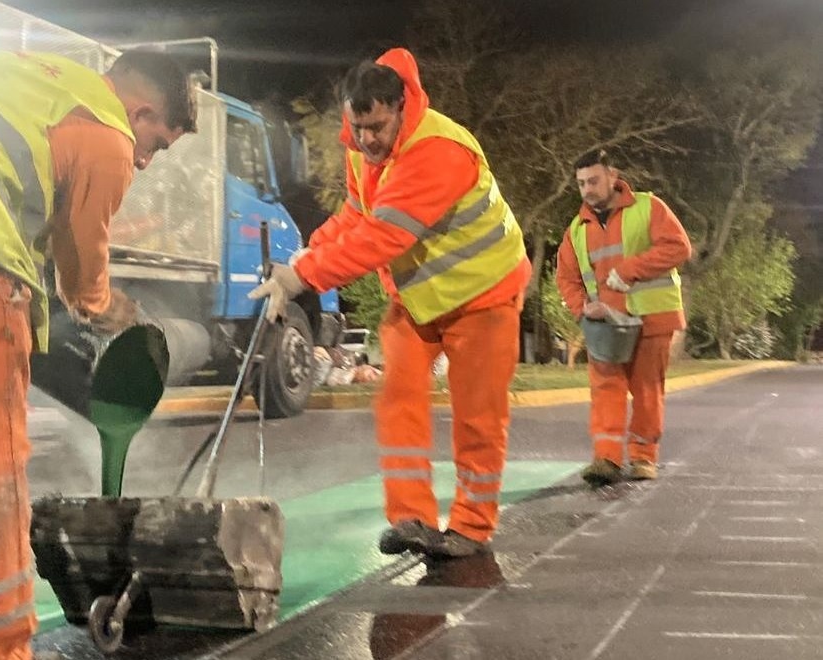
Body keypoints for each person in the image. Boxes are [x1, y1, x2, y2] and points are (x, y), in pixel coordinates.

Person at [0, 48, 196, 659]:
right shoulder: (106, 132)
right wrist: (103, 306)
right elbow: (82, 258)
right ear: (143, 109)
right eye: (157, 143)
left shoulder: (26, 75)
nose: (146, 160)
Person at [249, 48, 531, 558]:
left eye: (377, 127)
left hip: (485, 295)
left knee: (477, 416)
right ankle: (411, 519)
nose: (366, 140)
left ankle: (472, 525)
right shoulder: (364, 152)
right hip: (420, 300)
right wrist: (303, 256)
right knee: (398, 398)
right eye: (357, 127)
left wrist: (303, 277)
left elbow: (383, 238)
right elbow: (356, 216)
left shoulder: (439, 150)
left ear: (403, 108)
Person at [555, 149, 691, 487]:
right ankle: (607, 459)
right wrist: (581, 309)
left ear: (613, 176)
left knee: (646, 391)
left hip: (651, 318)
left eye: (594, 180)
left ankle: (643, 458)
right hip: (606, 327)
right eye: (582, 183)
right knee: (605, 391)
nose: (587, 189)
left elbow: (678, 247)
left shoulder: (648, 207)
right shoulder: (576, 230)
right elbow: (566, 278)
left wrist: (629, 271)